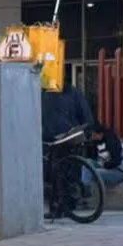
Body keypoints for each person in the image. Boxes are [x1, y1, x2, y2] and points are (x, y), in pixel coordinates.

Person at [41, 83, 96, 219]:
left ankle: (58, 207)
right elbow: (85, 114)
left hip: (54, 137)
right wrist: (87, 130)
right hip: (72, 136)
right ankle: (69, 204)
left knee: (56, 170)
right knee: (69, 169)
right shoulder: (73, 92)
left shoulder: (45, 93)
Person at [86, 123, 123, 187]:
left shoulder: (112, 141)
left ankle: (86, 190)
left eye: (93, 135)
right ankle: (84, 186)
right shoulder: (97, 142)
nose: (92, 137)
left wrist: (104, 165)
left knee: (94, 172)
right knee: (87, 163)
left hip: (119, 171)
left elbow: (117, 161)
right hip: (104, 166)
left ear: (100, 134)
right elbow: (95, 158)